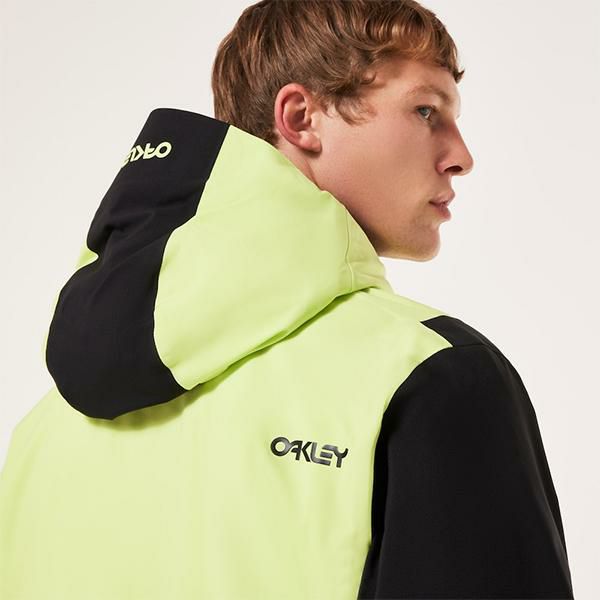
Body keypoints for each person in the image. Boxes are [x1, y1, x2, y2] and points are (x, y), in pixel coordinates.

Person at [0, 1, 574, 598]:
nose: (462, 156)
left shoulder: (45, 429)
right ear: (302, 118)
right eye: (426, 110)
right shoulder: (431, 376)